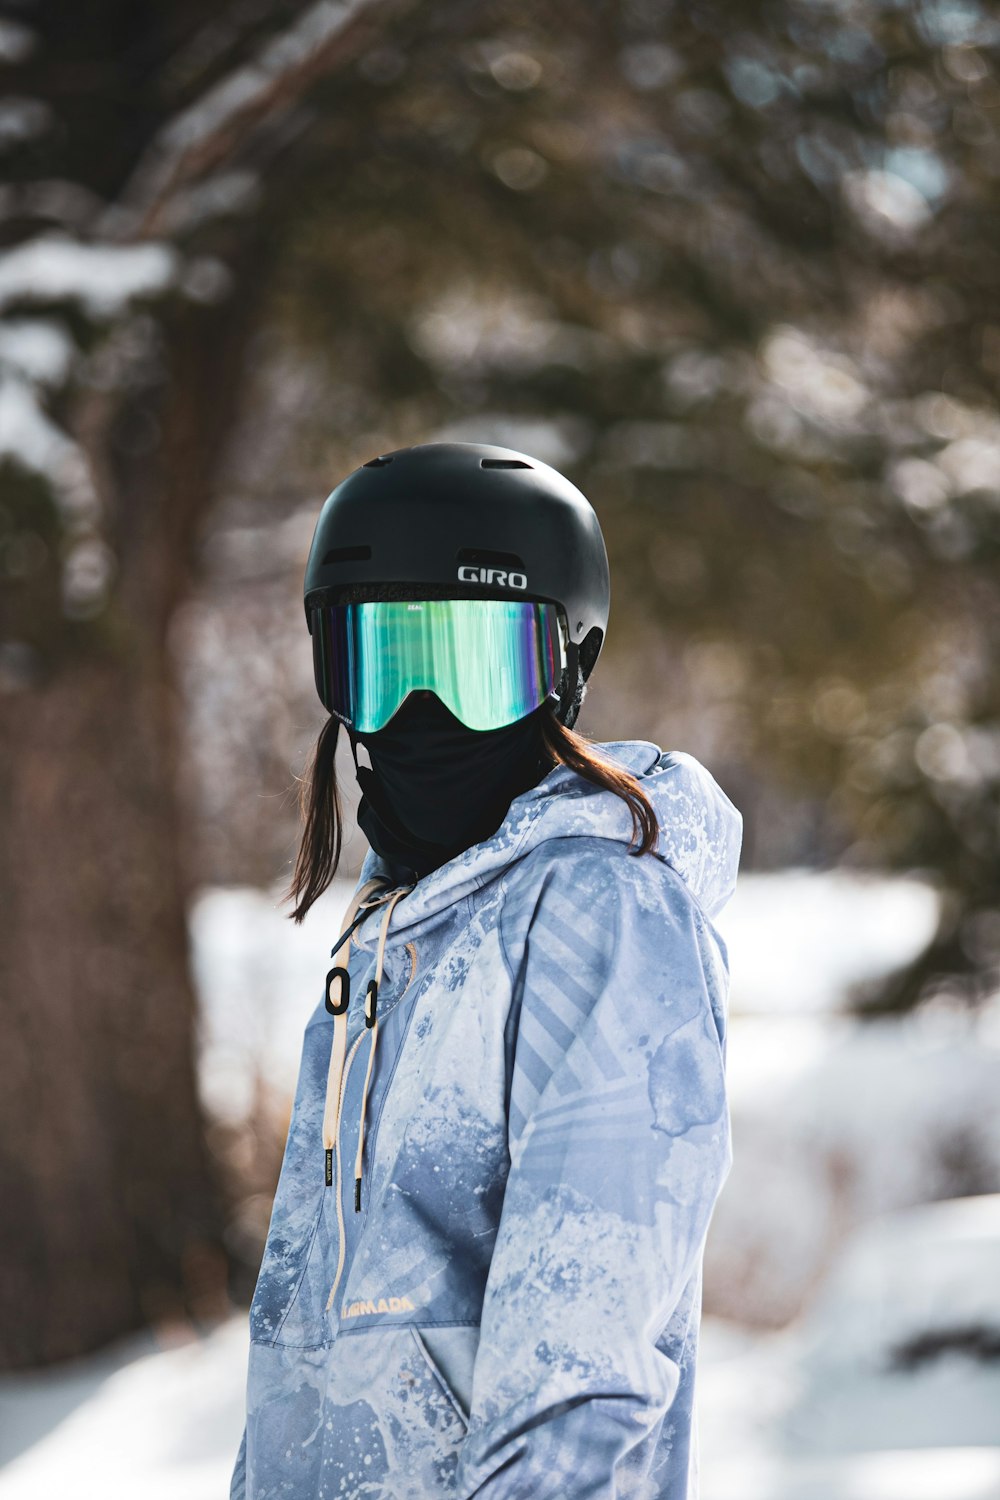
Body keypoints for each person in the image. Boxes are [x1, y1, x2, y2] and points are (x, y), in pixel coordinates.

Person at [229, 441, 743, 1500]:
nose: (422, 718)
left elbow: (583, 1362)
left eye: (471, 668)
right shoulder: (384, 929)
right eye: (383, 664)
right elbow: (303, 1354)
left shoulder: (599, 918)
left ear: (564, 667)